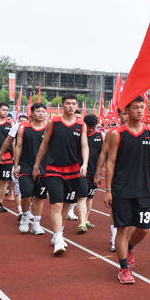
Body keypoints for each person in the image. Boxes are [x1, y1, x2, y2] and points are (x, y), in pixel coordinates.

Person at [102, 95, 150, 284]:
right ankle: (124, 268)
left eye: (141, 107)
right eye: (135, 107)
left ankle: (129, 247)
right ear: (126, 111)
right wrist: (108, 189)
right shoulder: (116, 134)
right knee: (123, 228)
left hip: (144, 188)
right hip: (122, 189)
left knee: (144, 227)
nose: (139, 111)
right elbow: (110, 162)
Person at [33, 94, 89, 256]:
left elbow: (84, 146)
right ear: (62, 105)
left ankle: (60, 232)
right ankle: (57, 238)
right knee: (56, 204)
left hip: (73, 170)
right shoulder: (53, 123)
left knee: (66, 204)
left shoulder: (81, 125)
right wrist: (37, 165)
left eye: (73, 104)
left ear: (77, 106)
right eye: (68, 104)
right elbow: (44, 145)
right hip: (54, 169)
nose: (71, 106)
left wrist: (85, 163)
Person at [5, 103, 49, 236]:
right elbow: (18, 146)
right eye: (38, 111)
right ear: (32, 113)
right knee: (27, 194)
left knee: (40, 196)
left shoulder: (49, 128)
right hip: (26, 166)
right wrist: (16, 164)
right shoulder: (24, 128)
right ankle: (25, 216)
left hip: (44, 167)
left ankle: (36, 223)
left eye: (43, 111)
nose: (41, 114)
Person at [76, 113, 105, 234]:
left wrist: (100, 172)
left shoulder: (101, 135)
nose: (91, 129)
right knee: (82, 196)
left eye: (94, 127)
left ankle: (86, 220)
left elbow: (104, 154)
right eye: (89, 127)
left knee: (89, 196)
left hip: (95, 172)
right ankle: (81, 222)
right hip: (81, 171)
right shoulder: (79, 135)